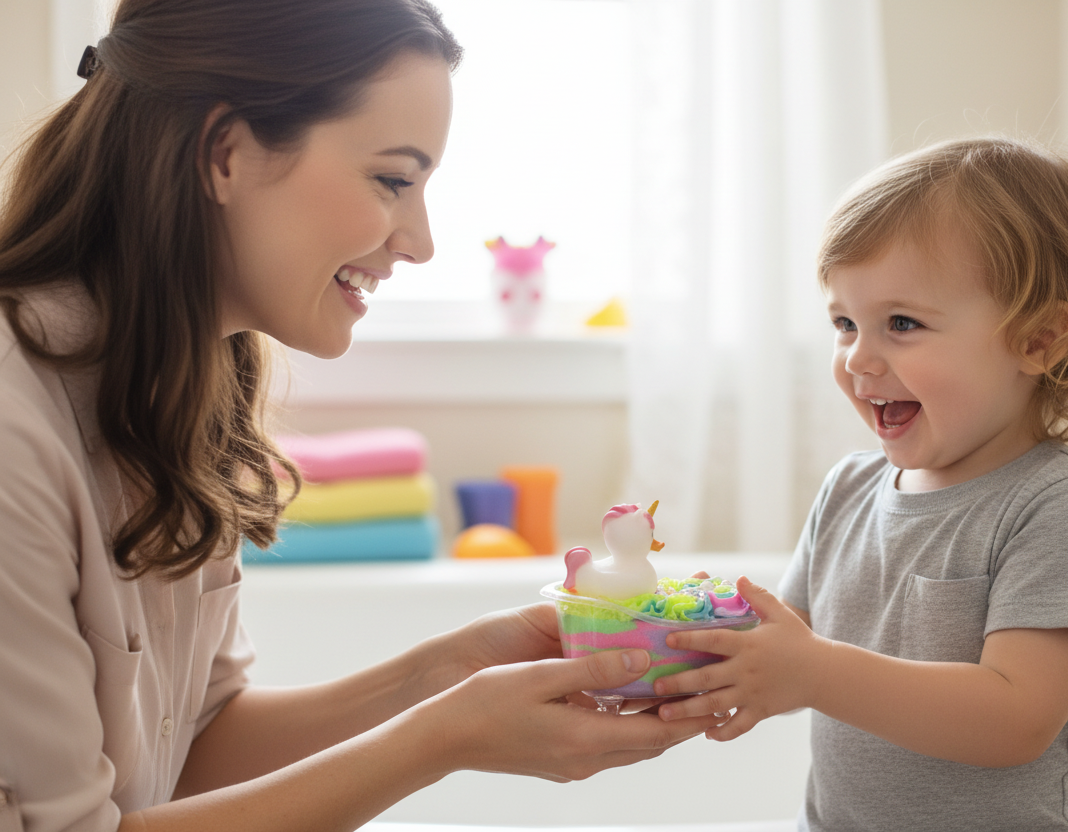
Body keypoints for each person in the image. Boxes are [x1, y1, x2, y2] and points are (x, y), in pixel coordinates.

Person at [0, 1, 724, 830]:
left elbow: (193, 753)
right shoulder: (13, 423)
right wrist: (439, 739)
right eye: (392, 180)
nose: (418, 240)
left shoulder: (181, 391)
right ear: (223, 152)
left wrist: (443, 672)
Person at [651, 137, 1068, 831]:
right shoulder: (849, 489)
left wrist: (812, 673)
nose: (859, 355)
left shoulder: (1058, 512)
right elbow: (788, 644)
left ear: (1038, 340)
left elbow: (1014, 720)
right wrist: (671, 646)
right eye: (844, 323)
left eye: (902, 323)